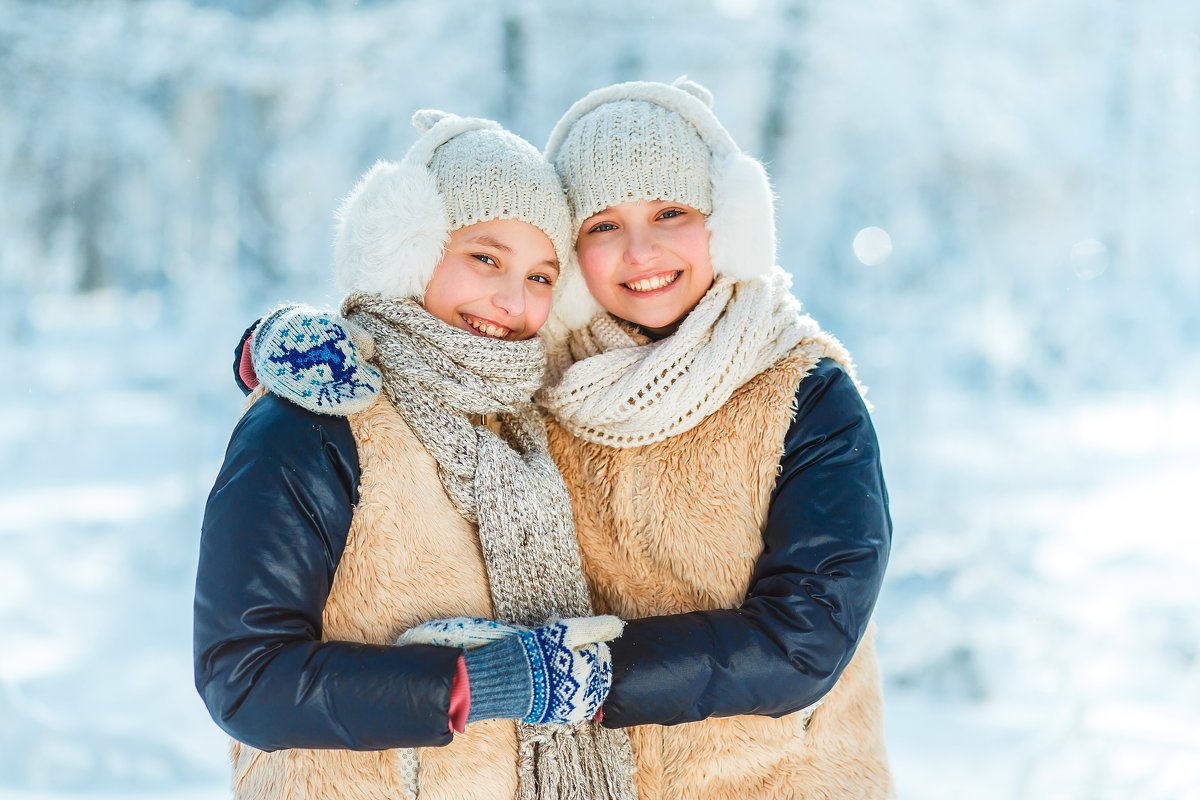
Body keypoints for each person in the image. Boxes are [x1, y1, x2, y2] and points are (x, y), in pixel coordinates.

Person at [238, 78, 894, 799]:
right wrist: (275, 347)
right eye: (602, 226)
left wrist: (592, 674)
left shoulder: (803, 388)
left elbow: (808, 634)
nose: (640, 251)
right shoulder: (539, 384)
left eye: (670, 211)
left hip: (780, 782)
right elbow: (420, 359)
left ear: (725, 221)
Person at [194, 110, 638, 800]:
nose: (511, 299)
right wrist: (477, 685)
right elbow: (244, 678)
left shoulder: (522, 430)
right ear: (411, 248)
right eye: (484, 258)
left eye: (543, 277)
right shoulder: (315, 417)